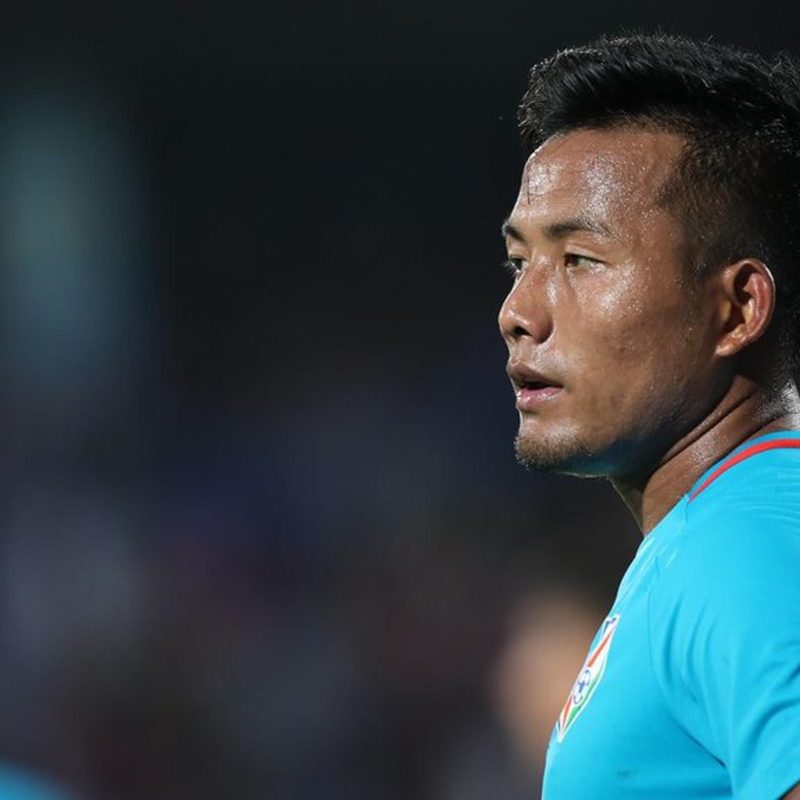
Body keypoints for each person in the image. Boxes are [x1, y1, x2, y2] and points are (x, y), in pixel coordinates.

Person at [498, 33, 800, 799]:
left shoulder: (751, 545)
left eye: (580, 261)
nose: (518, 312)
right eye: (519, 262)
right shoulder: (712, 535)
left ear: (738, 308)